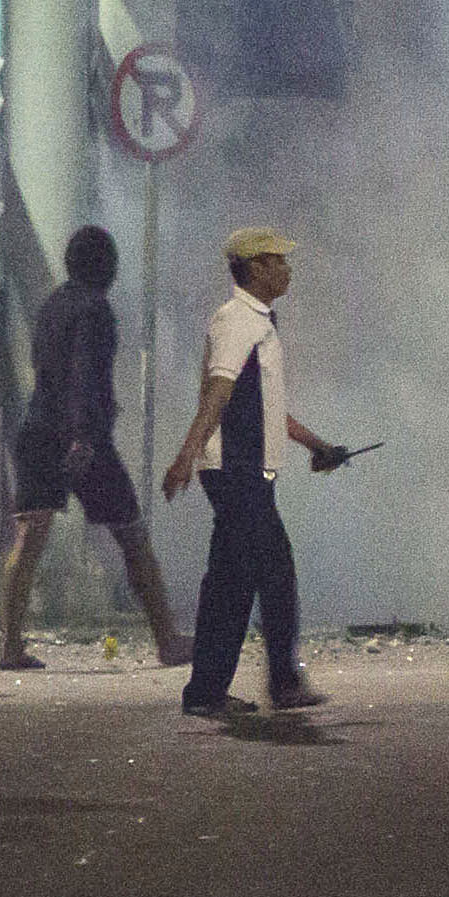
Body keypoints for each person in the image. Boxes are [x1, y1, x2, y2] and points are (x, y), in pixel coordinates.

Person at [160, 228, 353, 717]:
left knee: (230, 583)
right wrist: (186, 456)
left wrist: (318, 446)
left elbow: (270, 411)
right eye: (278, 261)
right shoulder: (236, 322)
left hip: (246, 470)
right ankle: (284, 684)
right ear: (255, 268)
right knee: (276, 571)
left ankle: (205, 693)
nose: (287, 270)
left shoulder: (260, 323)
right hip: (234, 471)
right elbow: (218, 395)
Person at [0, 225, 189, 671]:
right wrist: (84, 436)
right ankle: (168, 640)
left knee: (27, 539)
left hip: (37, 430)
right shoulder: (95, 310)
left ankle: (10, 646)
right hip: (81, 438)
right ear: (108, 267)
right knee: (131, 535)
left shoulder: (52, 306)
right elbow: (85, 374)